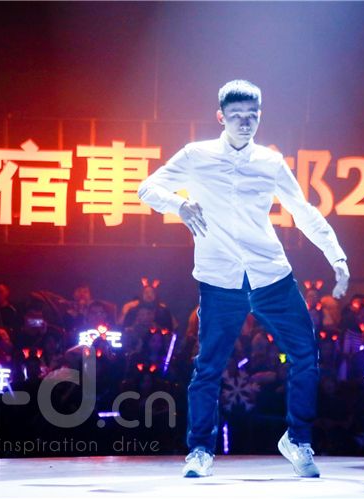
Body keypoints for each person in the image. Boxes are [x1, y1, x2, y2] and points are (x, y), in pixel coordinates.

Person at [137, 79, 350, 478]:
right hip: (220, 277)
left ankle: (298, 440)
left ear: (260, 116)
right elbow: (147, 187)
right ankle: (200, 451)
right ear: (220, 117)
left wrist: (335, 255)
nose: (245, 122)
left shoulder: (270, 162)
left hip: (271, 273)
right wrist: (179, 205)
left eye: (252, 115)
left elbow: (302, 210)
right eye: (236, 115)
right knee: (208, 366)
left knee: (305, 355)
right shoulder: (196, 155)